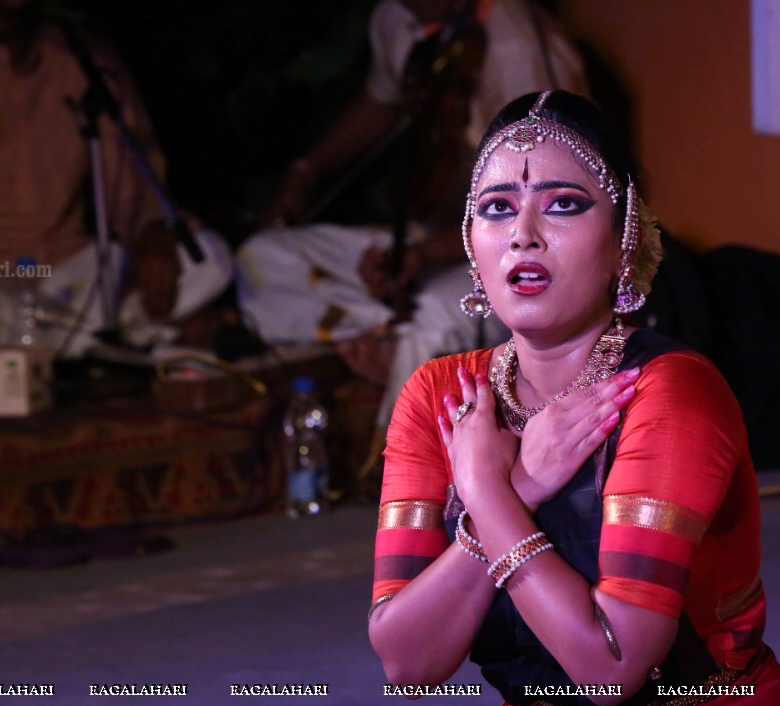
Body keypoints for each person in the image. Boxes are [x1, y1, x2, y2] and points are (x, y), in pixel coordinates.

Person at [261, 90, 780, 706]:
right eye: (498, 207)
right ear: (472, 243)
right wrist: (521, 487)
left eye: (563, 204)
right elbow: (407, 661)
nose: (523, 235)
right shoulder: (443, 396)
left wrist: (488, 493)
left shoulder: (667, 393)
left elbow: (611, 670)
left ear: (625, 236)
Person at [236, 0, 586, 424]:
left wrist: (422, 256)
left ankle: (404, 473)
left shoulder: (516, 43)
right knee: (263, 257)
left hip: (520, 258)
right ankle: (385, 333)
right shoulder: (397, 17)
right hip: (433, 235)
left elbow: (540, 204)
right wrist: (305, 171)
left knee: (433, 321)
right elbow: (383, 97)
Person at [0, 0, 234, 364]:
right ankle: (124, 338)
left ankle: (74, 341)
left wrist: (156, 232)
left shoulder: (82, 55)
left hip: (70, 279)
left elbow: (135, 189)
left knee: (205, 256)